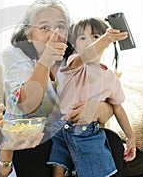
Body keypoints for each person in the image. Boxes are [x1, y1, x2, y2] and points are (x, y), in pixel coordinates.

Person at [2, 0, 117, 177]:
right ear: (29, 34)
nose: (54, 34)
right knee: (40, 147)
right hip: (30, 142)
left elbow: (110, 106)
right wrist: (46, 60)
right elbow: (27, 105)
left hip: (69, 135)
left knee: (112, 142)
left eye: (61, 27)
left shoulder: (74, 60)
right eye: (44, 27)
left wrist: (98, 108)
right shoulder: (15, 57)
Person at [47, 17, 136, 176]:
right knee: (58, 167)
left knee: (96, 171)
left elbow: (118, 108)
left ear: (109, 44)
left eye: (95, 36)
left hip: (87, 132)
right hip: (60, 127)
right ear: (74, 44)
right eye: (82, 37)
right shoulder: (74, 63)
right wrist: (105, 38)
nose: (89, 41)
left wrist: (131, 137)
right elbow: (87, 55)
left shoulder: (110, 78)